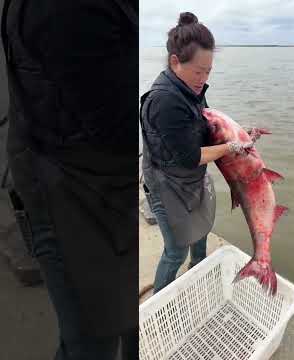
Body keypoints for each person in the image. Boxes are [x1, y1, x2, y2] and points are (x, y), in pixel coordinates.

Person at [2, 1, 139, 359]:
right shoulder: (67, 11)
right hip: (67, 186)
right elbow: (111, 123)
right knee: (92, 339)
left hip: (101, 173)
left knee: (130, 318)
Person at [140, 12, 253, 294]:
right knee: (175, 250)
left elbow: (204, 129)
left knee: (201, 231)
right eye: (198, 72)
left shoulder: (192, 87)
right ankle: (160, 302)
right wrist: (230, 148)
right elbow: (190, 156)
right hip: (166, 184)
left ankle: (198, 275)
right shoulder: (165, 100)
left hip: (191, 178)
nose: (203, 79)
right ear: (175, 62)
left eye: (208, 72)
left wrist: (239, 135)